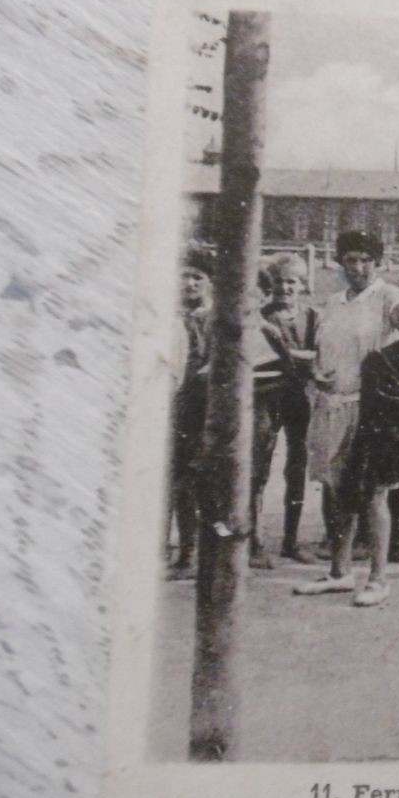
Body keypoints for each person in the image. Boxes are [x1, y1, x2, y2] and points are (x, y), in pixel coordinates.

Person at [296, 231, 399, 596]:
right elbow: (324, 349)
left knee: (372, 492)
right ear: (340, 263)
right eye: (350, 260)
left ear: (378, 262)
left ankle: (378, 579)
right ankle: (339, 572)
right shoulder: (335, 301)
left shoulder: (388, 295)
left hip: (370, 409)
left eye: (365, 260)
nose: (357, 267)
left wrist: (391, 382)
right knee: (333, 487)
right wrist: (314, 371)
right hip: (330, 405)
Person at [337, 306, 399, 605]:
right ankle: (364, 571)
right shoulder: (381, 358)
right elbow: (382, 397)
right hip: (389, 434)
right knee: (371, 494)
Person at [250, 254, 319, 568]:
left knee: (296, 466)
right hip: (266, 396)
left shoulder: (312, 316)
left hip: (299, 397)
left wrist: (287, 352)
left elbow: (319, 353)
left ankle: (291, 540)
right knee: (258, 467)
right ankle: (253, 541)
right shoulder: (260, 317)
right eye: (279, 281)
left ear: (303, 285)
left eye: (292, 281)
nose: (285, 288)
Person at [167, 246, 215, 578]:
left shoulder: (212, 319)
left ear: (209, 282)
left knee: (194, 483)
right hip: (170, 407)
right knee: (167, 481)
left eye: (198, 277)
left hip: (201, 410)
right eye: (185, 276)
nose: (190, 283)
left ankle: (191, 553)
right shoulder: (168, 317)